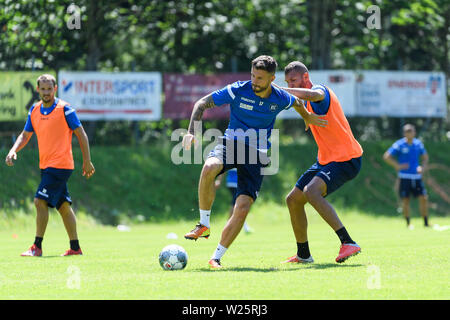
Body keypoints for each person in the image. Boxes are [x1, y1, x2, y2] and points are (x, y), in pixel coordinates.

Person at [182, 55, 327, 268]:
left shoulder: (280, 97)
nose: (254, 82)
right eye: (252, 76)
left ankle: (216, 257)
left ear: (271, 78)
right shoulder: (238, 89)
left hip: (256, 154)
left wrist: (306, 116)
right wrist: (191, 132)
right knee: (209, 167)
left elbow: (296, 102)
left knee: (242, 207)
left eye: (260, 78)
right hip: (231, 143)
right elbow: (202, 103)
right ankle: (203, 224)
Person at [278, 61, 363, 264]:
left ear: (305, 77)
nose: (291, 84)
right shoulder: (304, 101)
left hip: (346, 158)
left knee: (311, 191)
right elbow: (298, 103)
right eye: (287, 81)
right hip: (326, 160)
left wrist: (278, 89)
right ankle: (303, 254)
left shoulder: (319, 91)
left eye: (294, 81)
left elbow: (312, 95)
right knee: (293, 200)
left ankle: (348, 242)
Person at [5, 74, 95, 257]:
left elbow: (81, 133)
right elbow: (25, 135)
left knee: (40, 201)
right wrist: (13, 150)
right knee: (63, 206)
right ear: (38, 90)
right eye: (43, 89)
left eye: (49, 89)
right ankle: (75, 248)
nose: (46, 92)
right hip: (46, 166)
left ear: (55, 89)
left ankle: (36, 247)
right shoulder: (35, 110)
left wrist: (87, 160)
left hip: (61, 165)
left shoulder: (65, 109)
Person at [383, 124, 430, 229]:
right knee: (405, 200)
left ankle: (426, 223)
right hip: (404, 177)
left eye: (411, 131)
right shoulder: (399, 145)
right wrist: (397, 166)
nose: (409, 133)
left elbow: (425, 157)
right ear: (404, 133)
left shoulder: (418, 144)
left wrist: (422, 168)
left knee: (424, 198)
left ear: (414, 132)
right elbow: (386, 156)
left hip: (417, 177)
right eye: (407, 131)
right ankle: (408, 224)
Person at [215, 168, 253, 234]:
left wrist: (219, 180)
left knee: (237, 203)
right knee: (237, 203)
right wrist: (219, 180)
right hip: (235, 183)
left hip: (235, 183)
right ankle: (229, 223)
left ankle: (242, 225)